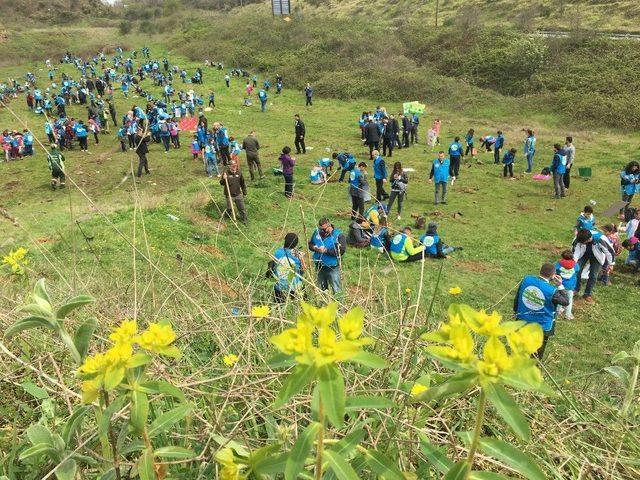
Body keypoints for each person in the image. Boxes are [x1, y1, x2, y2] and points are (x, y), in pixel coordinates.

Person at [513, 263, 569, 359]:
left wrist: (516, 312)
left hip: (522, 320)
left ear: (540, 270)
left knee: (519, 347)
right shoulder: (552, 291)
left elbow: (518, 297)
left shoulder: (527, 279)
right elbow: (566, 301)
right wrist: (560, 285)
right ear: (553, 275)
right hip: (541, 326)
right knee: (536, 353)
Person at [572, 229, 615, 303]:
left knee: (593, 275)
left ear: (589, 239)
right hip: (583, 254)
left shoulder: (601, 239)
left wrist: (611, 264)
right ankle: (576, 288)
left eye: (583, 243)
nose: (582, 243)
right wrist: (574, 262)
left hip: (597, 256)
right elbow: (575, 251)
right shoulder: (578, 239)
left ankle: (587, 294)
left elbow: (610, 252)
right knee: (576, 270)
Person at [308, 218, 346, 294]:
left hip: (332, 267)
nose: (322, 231)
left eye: (324, 229)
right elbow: (310, 244)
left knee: (336, 289)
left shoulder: (339, 235)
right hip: (319, 265)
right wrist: (315, 248)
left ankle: (338, 305)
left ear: (329, 225)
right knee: (321, 289)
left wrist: (326, 251)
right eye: (320, 229)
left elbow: (341, 251)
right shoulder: (317, 232)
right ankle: (323, 304)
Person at [269, 233, 305, 303]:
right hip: (294, 286)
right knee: (298, 306)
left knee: (279, 306)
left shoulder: (277, 252)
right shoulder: (298, 254)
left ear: (285, 241)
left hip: (279, 285)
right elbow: (303, 268)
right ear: (296, 243)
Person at [555, 250, 580, 320]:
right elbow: (577, 270)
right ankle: (568, 315)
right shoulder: (576, 265)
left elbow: (555, 270)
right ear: (572, 257)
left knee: (559, 298)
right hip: (570, 286)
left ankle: (557, 311)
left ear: (562, 257)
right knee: (569, 300)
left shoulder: (558, 264)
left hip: (560, 285)